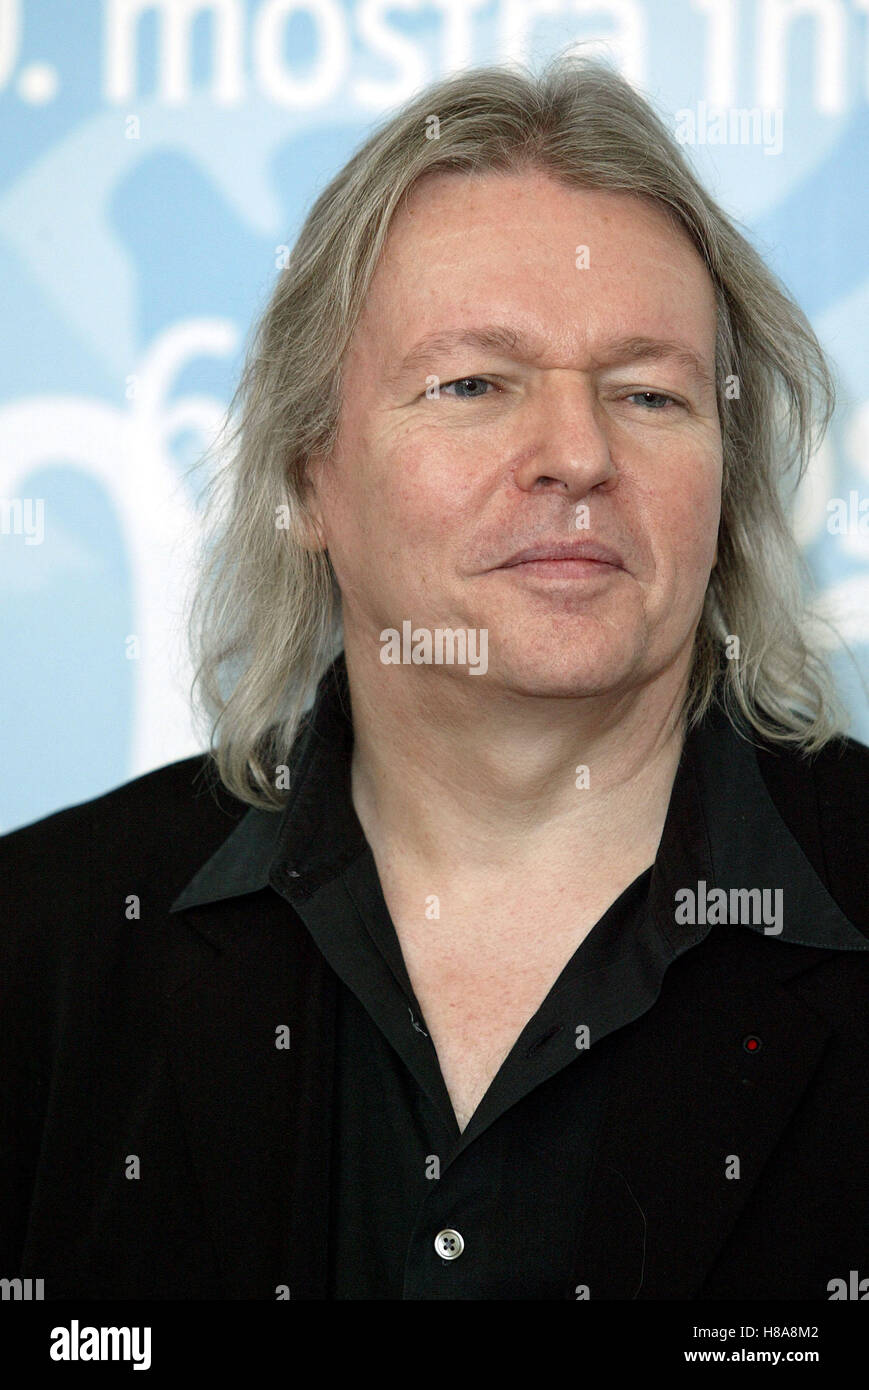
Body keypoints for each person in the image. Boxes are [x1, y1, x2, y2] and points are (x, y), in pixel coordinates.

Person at [2, 52, 867, 1302]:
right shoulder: (45, 952)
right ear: (308, 476)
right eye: (471, 383)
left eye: (647, 393)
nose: (575, 454)